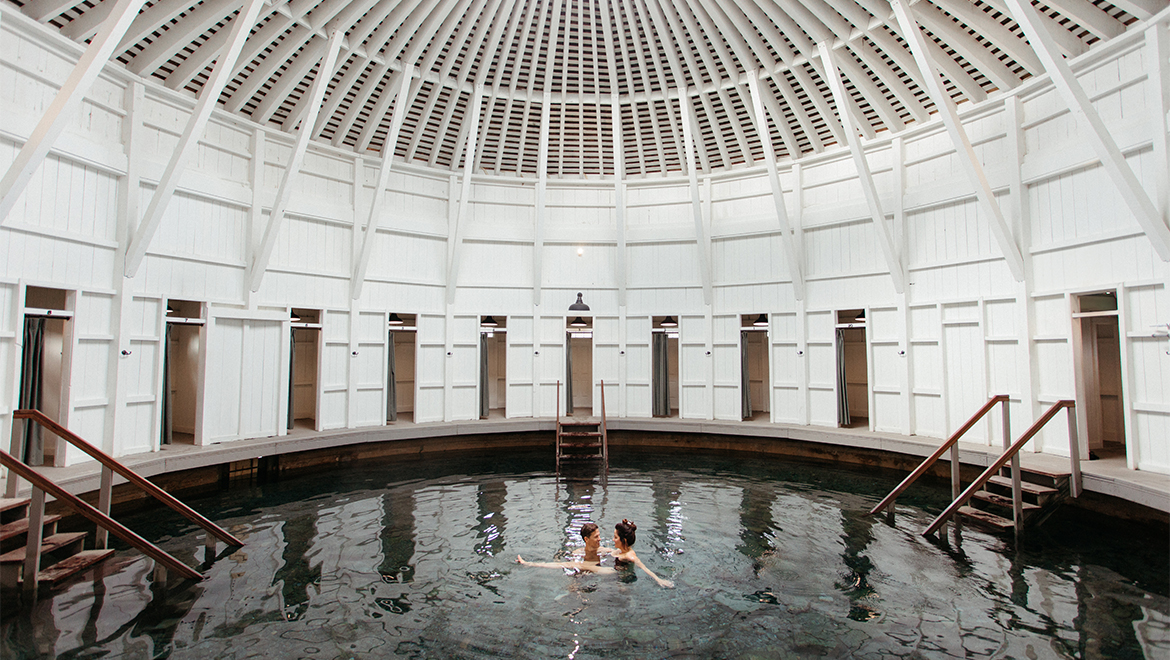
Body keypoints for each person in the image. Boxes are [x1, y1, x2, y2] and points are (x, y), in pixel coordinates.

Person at [516, 522, 614, 574]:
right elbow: (565, 565)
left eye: (599, 536)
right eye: (596, 537)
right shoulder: (578, 553)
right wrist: (528, 563)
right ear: (586, 539)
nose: (600, 539)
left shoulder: (605, 551)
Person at [611, 519, 674, 588]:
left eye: (615, 537)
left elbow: (644, 568)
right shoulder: (621, 550)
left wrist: (658, 580)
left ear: (624, 540)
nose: (613, 540)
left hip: (626, 582)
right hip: (619, 576)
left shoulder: (630, 556)